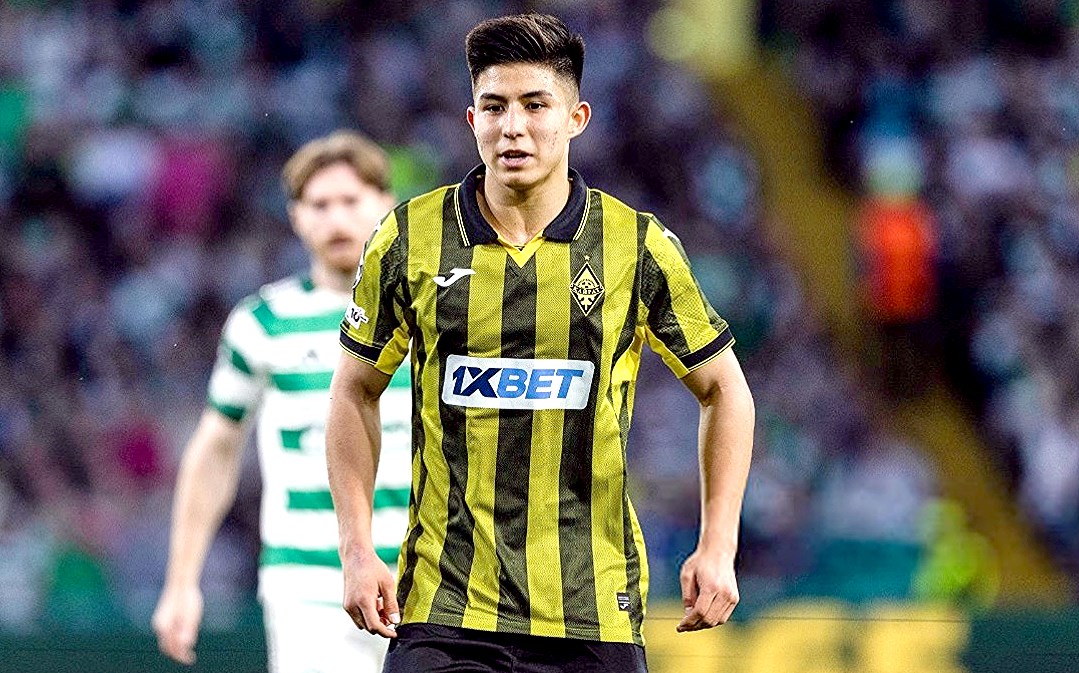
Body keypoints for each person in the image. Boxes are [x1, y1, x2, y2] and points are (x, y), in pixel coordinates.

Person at [326, 13, 754, 673]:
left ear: (576, 118)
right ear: (472, 119)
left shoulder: (634, 245)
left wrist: (718, 544)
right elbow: (354, 390)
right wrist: (356, 549)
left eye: (535, 105)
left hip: (591, 611)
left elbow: (724, 388)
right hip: (446, 609)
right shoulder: (409, 239)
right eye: (494, 107)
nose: (513, 126)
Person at [152, 131, 411, 673]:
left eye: (351, 200)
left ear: (386, 204)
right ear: (296, 217)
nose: (336, 219)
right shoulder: (264, 323)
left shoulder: (428, 315)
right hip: (309, 590)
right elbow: (216, 448)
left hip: (424, 581)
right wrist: (181, 581)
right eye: (320, 205)